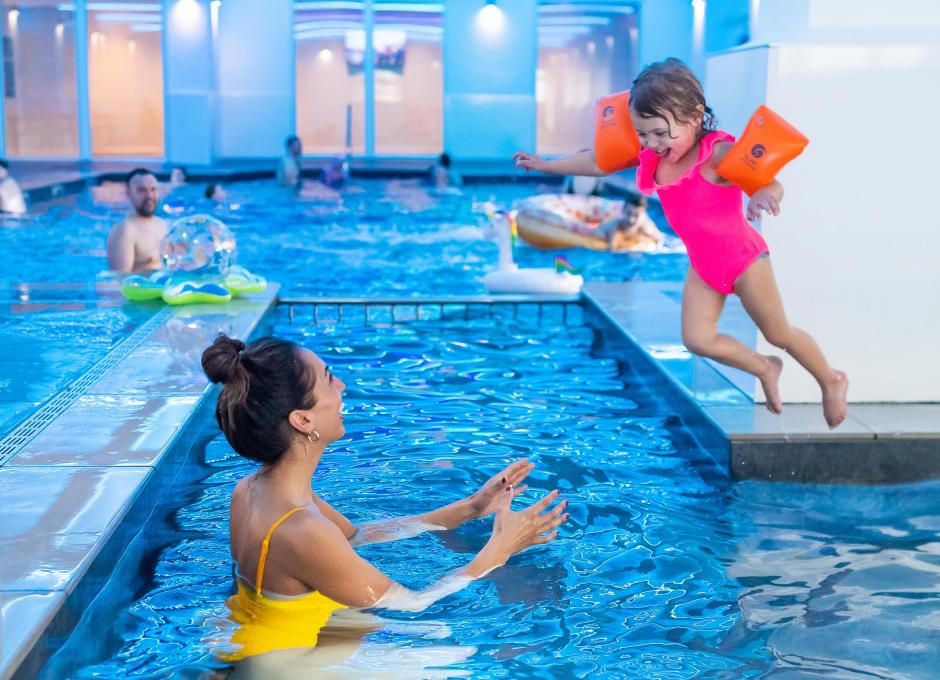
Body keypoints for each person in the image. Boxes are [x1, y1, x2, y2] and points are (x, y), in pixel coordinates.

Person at [512, 58, 848, 428]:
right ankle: (764, 367)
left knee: (778, 332)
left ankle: (830, 379)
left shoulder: (716, 154)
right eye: (642, 134)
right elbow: (596, 162)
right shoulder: (650, 157)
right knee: (698, 339)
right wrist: (545, 165)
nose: (651, 143)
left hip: (745, 261)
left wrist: (763, 197)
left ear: (694, 116)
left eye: (660, 133)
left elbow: (768, 182)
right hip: (704, 266)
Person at [201, 334, 569, 663]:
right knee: (450, 652)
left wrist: (468, 509)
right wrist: (501, 548)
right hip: (285, 667)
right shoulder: (300, 530)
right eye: (328, 379)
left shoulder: (253, 488)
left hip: (255, 637)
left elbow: (357, 536)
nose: (341, 386)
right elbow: (415, 604)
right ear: (302, 420)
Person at [106, 168, 168, 274]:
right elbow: (121, 281)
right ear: (128, 193)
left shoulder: (162, 224)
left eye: (153, 189)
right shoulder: (124, 230)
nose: (149, 196)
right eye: (142, 190)